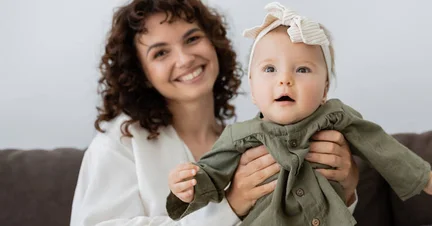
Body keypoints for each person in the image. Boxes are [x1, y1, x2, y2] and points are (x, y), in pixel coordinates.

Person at [165, 2, 432, 226]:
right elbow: (210, 173)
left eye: (302, 69)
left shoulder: (336, 118)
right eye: (270, 69)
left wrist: (428, 179)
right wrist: (188, 186)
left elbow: (381, 147)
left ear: (324, 89)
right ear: (253, 89)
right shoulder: (239, 137)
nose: (284, 79)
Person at [69, 0, 360, 225]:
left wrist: (345, 191)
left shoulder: (248, 141)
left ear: (213, 43)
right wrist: (230, 204)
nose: (184, 59)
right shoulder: (119, 145)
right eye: (160, 53)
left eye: (192, 39)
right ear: (140, 72)